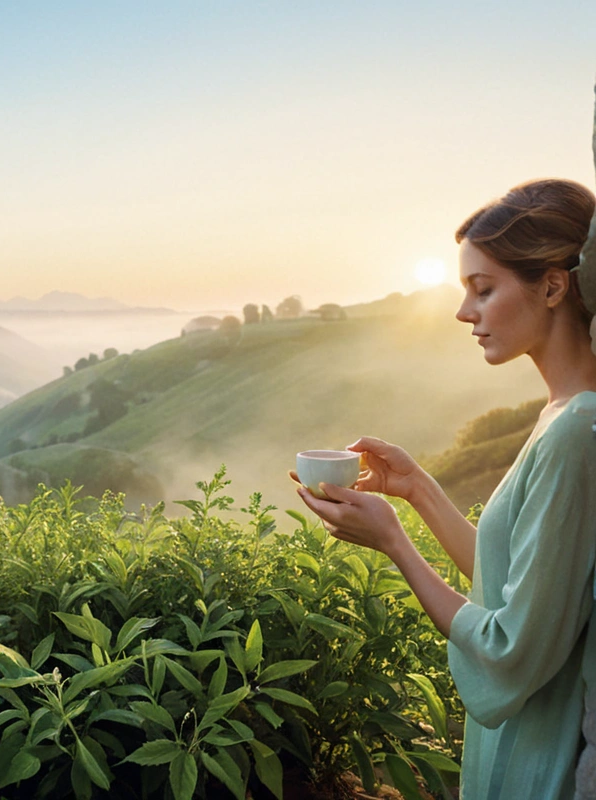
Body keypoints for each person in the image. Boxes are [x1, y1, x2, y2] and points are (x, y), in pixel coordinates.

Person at [294, 178, 596, 799]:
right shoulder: (561, 414)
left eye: (483, 290)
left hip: (543, 762)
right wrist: (417, 489)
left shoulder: (578, 432)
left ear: (552, 285)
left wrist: (396, 546)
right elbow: (517, 581)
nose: (465, 313)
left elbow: (513, 649)